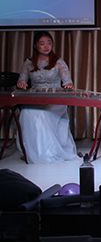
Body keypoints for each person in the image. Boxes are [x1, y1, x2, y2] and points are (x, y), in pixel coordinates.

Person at [15, 31, 78, 164]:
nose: (46, 46)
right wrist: (22, 83)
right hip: (35, 99)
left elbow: (68, 82)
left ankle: (50, 152)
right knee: (27, 112)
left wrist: (68, 85)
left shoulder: (58, 62)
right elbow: (22, 80)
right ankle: (33, 152)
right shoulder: (29, 63)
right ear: (35, 45)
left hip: (55, 100)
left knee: (42, 114)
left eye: (49, 43)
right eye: (42, 43)